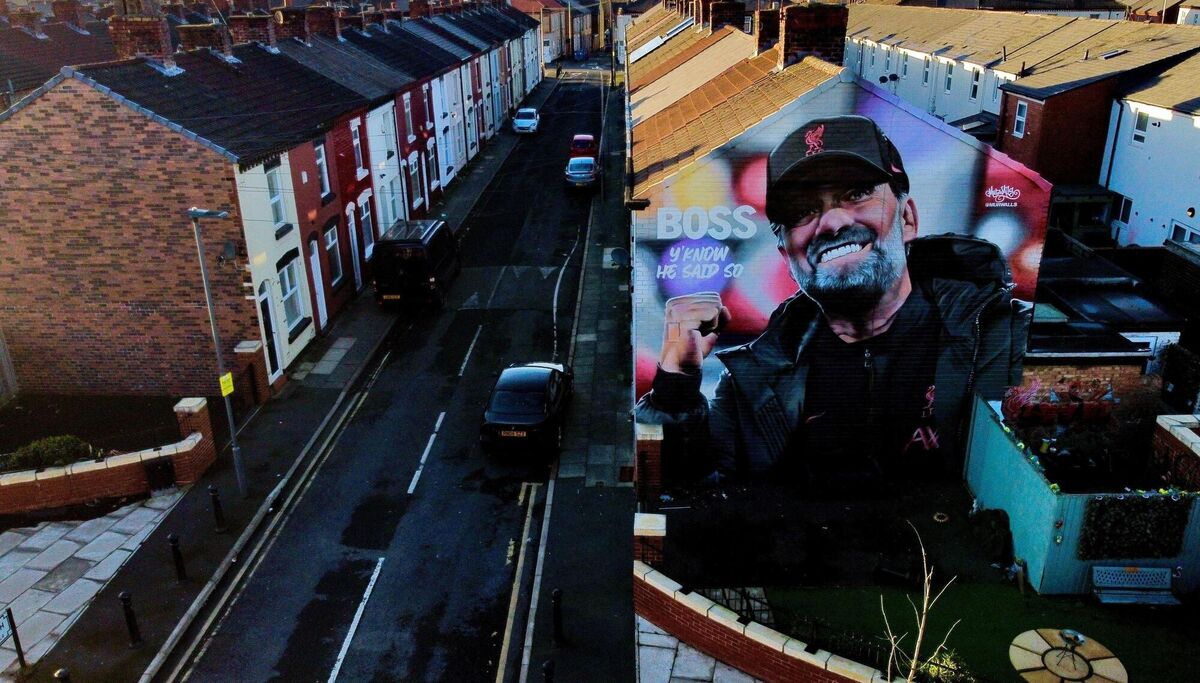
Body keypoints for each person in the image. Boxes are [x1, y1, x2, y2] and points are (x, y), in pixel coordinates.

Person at [636, 115, 1031, 494]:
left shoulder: (1007, 343)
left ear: (907, 219)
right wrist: (676, 386)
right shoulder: (750, 382)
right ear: (786, 255)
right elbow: (686, 496)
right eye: (803, 212)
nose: (832, 222)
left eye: (857, 193)